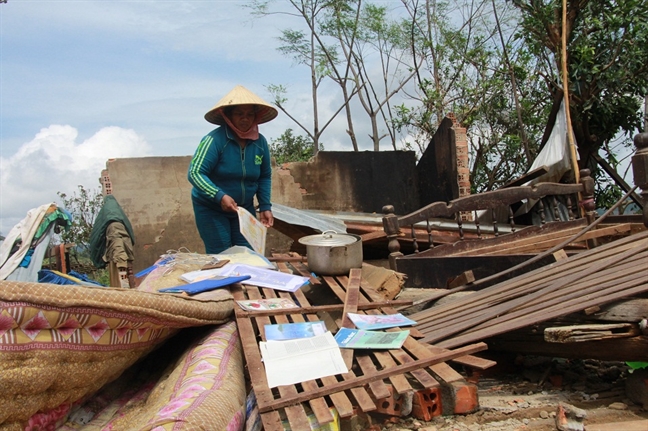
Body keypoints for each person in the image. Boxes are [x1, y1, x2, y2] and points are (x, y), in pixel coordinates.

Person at [188, 85, 277, 254]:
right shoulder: (214, 140)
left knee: (247, 253)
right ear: (228, 116)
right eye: (239, 114)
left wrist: (265, 206)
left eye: (250, 114)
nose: (245, 119)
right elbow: (195, 173)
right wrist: (219, 196)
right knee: (221, 255)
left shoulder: (260, 143)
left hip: (243, 209)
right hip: (212, 208)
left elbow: (264, 176)